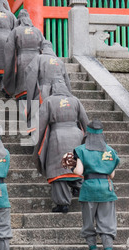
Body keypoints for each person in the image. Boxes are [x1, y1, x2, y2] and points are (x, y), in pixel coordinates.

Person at [65, 119, 120, 250]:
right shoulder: (110, 151)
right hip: (106, 189)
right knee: (107, 224)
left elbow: (78, 171)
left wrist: (72, 165)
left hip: (89, 188)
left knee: (89, 223)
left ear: (87, 133)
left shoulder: (81, 150)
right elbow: (112, 174)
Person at [34, 79, 89, 213]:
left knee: (58, 168)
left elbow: (40, 124)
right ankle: (79, 189)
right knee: (76, 164)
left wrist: (37, 140)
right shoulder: (75, 100)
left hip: (57, 136)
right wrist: (87, 138)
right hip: (76, 136)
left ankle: (63, 204)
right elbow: (85, 120)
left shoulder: (49, 101)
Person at [25, 40, 71, 128]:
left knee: (40, 111)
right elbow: (67, 81)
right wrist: (69, 95)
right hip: (62, 90)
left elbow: (30, 73)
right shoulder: (60, 61)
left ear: (41, 49)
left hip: (44, 90)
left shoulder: (39, 58)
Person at [3, 9, 45, 100]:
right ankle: (32, 111)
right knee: (35, 88)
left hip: (22, 59)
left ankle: (24, 110)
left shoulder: (16, 31)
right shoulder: (37, 31)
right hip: (37, 60)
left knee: (23, 88)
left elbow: (9, 49)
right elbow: (44, 47)